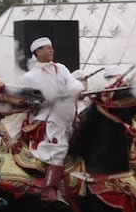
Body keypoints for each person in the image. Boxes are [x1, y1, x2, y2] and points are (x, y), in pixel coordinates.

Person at [15, 37, 84, 203]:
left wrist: (76, 90)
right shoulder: (29, 77)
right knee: (59, 148)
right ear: (38, 52)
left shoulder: (61, 68)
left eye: (51, 48)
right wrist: (45, 100)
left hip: (68, 115)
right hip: (48, 118)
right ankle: (49, 188)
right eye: (47, 48)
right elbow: (23, 99)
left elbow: (73, 84)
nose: (52, 50)